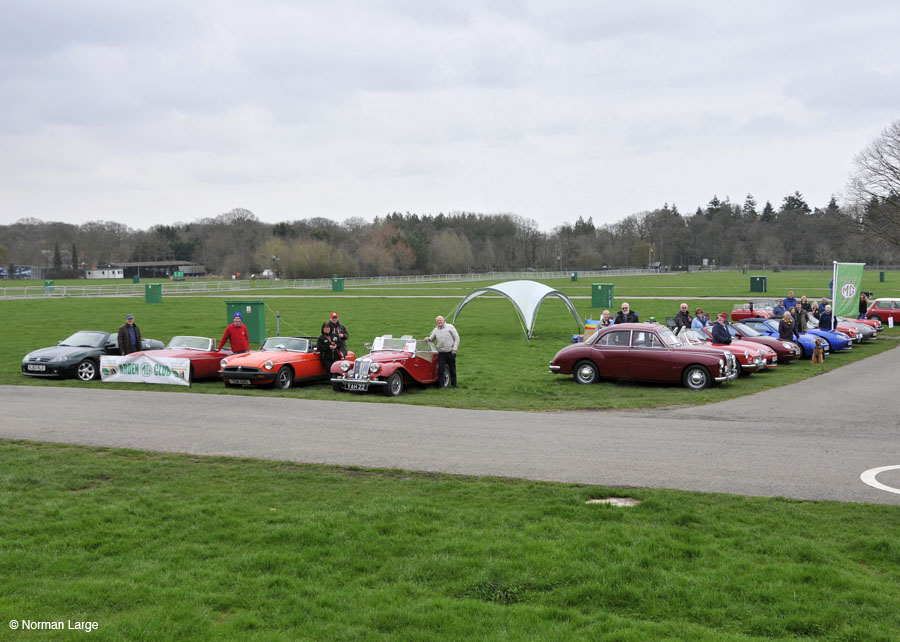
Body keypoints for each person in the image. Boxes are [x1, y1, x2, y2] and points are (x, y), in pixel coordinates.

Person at [424, 315, 460, 388]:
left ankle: (454, 385)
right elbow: (432, 338)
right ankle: (441, 386)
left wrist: (454, 349)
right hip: (441, 353)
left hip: (450, 352)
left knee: (452, 368)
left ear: (444, 320)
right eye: (437, 321)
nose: (439, 322)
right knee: (440, 369)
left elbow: (457, 338)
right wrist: (427, 338)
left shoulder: (450, 327)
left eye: (440, 320)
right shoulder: (435, 330)